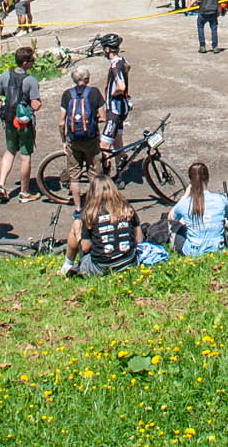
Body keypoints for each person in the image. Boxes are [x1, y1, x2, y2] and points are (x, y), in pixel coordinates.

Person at [0, 47, 42, 203]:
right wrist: (37, 103)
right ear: (25, 63)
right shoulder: (30, 80)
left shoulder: (4, 76)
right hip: (23, 122)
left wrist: (6, 100)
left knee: (10, 151)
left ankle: (1, 184)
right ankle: (24, 192)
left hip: (8, 120)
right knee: (25, 156)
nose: (33, 62)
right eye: (32, 60)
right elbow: (35, 105)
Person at [66, 182, 142, 277]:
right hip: (129, 262)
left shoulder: (90, 213)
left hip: (101, 266)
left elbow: (85, 248)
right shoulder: (127, 208)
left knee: (77, 223)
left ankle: (67, 264)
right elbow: (139, 240)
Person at [58, 64, 106, 210]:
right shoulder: (94, 93)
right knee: (94, 174)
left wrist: (64, 141)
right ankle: (95, 206)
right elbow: (103, 117)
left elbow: (61, 123)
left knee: (74, 176)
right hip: (91, 139)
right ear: (86, 78)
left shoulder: (67, 94)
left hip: (73, 139)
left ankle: (78, 208)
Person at [170, 161, 228, 256]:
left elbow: (171, 218)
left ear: (190, 181)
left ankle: (176, 250)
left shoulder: (185, 203)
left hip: (193, 252)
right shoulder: (220, 199)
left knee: (176, 227)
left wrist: (185, 195)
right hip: (218, 250)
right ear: (208, 178)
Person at [101, 33, 131, 152]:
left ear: (107, 49)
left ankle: (104, 170)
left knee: (104, 146)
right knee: (117, 142)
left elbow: (121, 87)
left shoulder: (115, 66)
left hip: (115, 111)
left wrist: (112, 94)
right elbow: (128, 67)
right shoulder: (122, 61)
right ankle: (120, 165)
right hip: (123, 108)